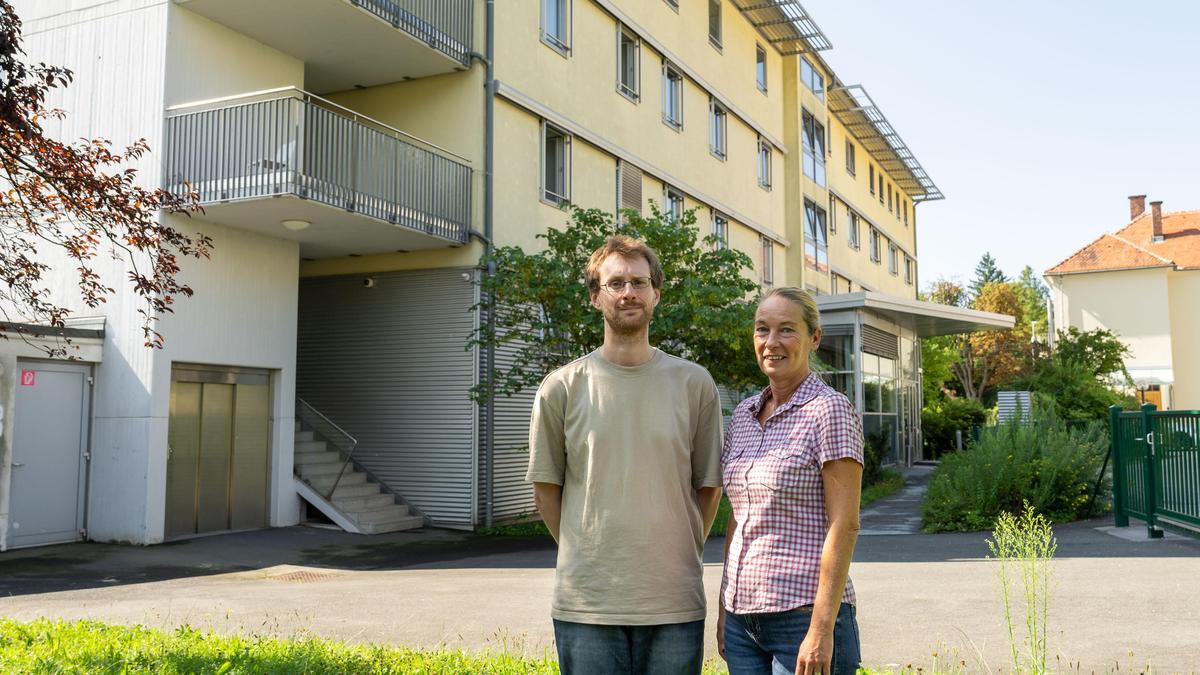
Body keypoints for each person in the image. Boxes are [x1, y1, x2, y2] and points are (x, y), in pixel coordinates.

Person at [526, 235, 724, 675]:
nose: (629, 292)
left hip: (673, 601)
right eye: (616, 283)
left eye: (639, 281)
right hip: (588, 604)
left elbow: (709, 487)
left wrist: (678, 548)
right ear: (596, 296)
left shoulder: (695, 384)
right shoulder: (561, 387)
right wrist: (591, 550)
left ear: (656, 293)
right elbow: (546, 490)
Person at [718, 287, 864, 675]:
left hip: (801, 618)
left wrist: (820, 629)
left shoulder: (829, 410)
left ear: (814, 338)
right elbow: (739, 516)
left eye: (786, 330)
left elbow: (845, 524)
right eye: (762, 329)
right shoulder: (745, 415)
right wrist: (723, 608)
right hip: (742, 621)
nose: (771, 342)